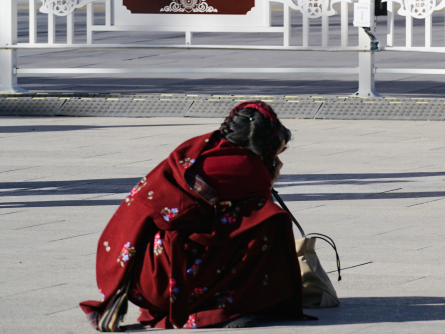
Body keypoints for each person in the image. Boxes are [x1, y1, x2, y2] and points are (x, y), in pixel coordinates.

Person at [80, 101, 310, 330]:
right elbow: (260, 202)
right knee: (268, 219)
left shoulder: (200, 146)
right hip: (173, 282)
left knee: (235, 219)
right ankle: (220, 308)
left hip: (144, 278)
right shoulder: (249, 169)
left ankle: (204, 301)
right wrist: (269, 175)